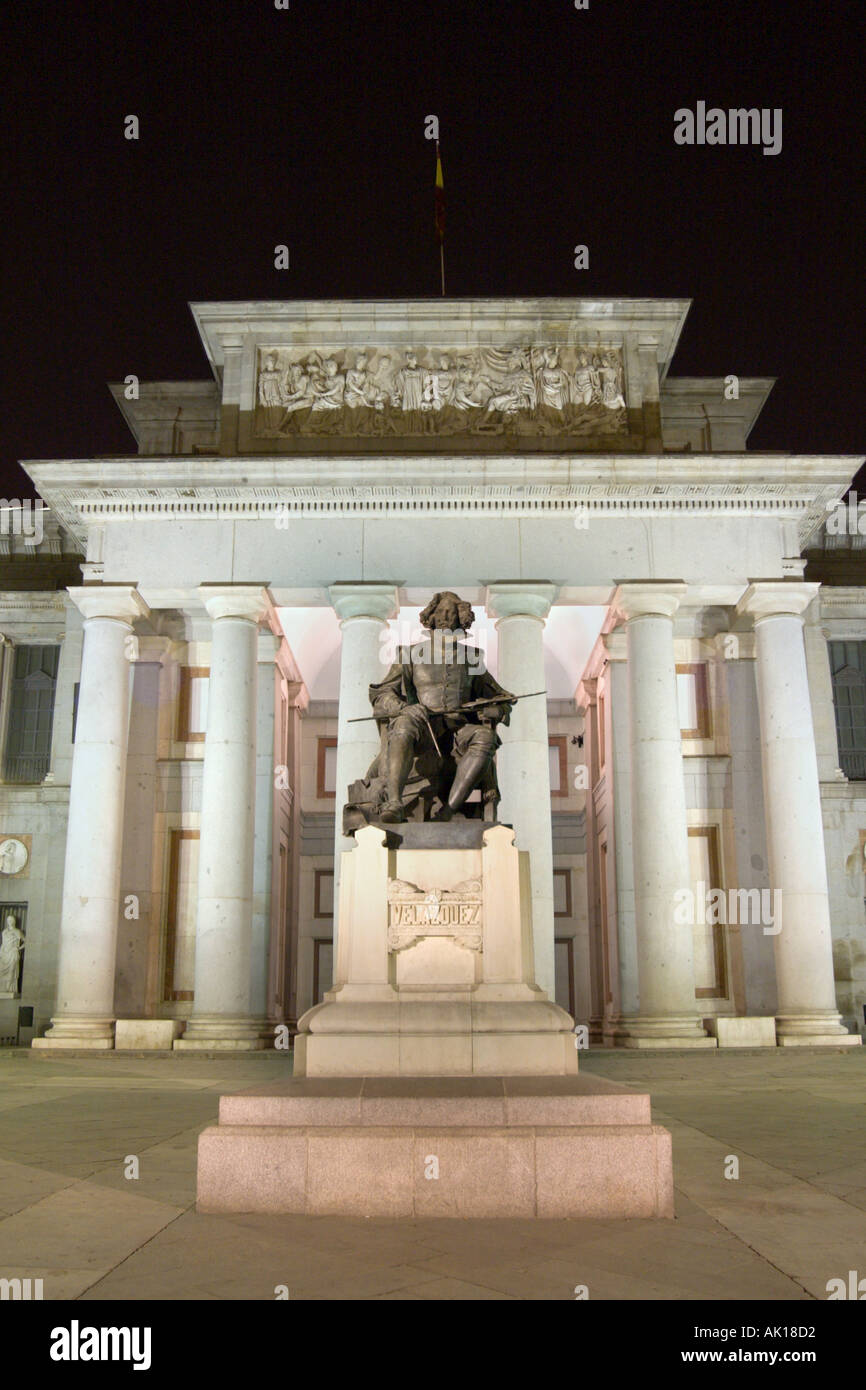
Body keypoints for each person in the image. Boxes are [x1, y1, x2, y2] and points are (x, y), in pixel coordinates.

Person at [365, 591, 515, 824]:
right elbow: (381, 693)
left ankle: (448, 811)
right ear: (431, 617)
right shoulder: (409, 654)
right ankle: (394, 803)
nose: (445, 617)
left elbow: (501, 698)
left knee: (485, 737)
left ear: (460, 619)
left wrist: (498, 710)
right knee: (403, 725)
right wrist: (403, 707)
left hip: (459, 731)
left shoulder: (472, 657)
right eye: (440, 612)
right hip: (422, 727)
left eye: (452, 612)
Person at [0, 914, 24, 993]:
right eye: (8, 920)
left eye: (11, 920)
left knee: (12, 970)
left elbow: (26, 941)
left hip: (13, 953)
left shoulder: (17, 931)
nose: (10, 922)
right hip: (5, 954)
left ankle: (9, 988)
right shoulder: (4, 932)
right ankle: (3, 988)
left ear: (14, 921)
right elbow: (3, 944)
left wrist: (18, 948)